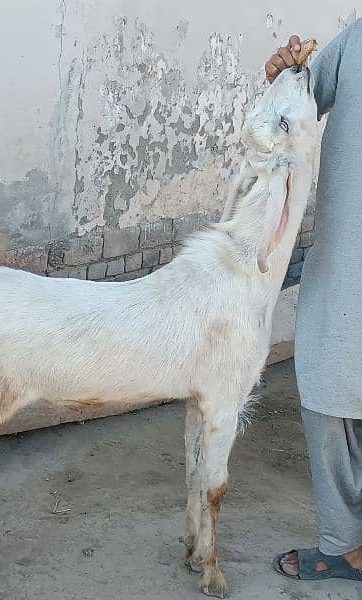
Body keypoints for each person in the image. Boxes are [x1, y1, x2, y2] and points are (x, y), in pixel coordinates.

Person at [265, 21, 362, 581]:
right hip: (345, 258)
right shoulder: (358, 42)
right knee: (327, 386)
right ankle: (345, 542)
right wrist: (284, 72)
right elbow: (296, 99)